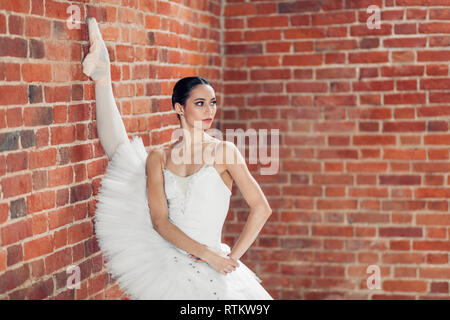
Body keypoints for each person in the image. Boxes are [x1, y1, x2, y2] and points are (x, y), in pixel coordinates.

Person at [82, 17, 273, 300]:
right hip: (168, 263)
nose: (210, 110)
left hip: (213, 267)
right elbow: (160, 221)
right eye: (200, 103)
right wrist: (205, 253)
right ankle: (102, 76)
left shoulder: (225, 152)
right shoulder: (159, 157)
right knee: (123, 156)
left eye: (213, 103)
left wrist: (229, 257)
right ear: (179, 108)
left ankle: (101, 74)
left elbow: (261, 208)